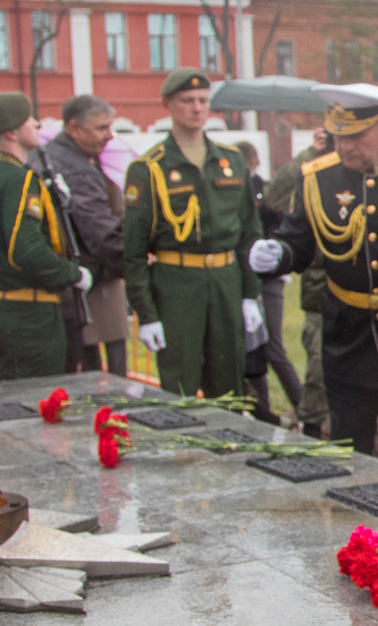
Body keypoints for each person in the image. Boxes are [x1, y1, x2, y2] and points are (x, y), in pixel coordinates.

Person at [251, 86, 378, 478]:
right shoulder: (318, 177)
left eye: (355, 136)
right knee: (349, 441)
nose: (344, 146)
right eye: (337, 135)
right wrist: (278, 255)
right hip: (350, 328)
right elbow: (299, 240)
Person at [122, 69, 263, 398]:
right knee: (179, 380)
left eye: (202, 101)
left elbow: (249, 234)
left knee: (229, 378)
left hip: (227, 280)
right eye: (187, 101)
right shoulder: (148, 168)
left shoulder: (231, 160)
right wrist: (147, 314)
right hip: (177, 284)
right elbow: (133, 250)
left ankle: (229, 446)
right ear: (167, 105)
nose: (197, 108)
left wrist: (249, 294)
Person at [0, 92, 93, 379]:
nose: (35, 123)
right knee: (41, 402)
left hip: (1, 307)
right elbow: (26, 248)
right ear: (11, 132)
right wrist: (72, 273)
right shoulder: (18, 178)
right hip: (32, 315)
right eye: (27, 119)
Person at [43, 95, 131, 376]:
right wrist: (135, 260)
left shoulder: (68, 158)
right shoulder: (76, 167)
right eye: (101, 128)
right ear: (74, 129)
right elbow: (100, 232)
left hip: (82, 275)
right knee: (104, 366)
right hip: (91, 276)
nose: (109, 135)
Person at [264, 128, 333, 438]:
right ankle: (312, 430)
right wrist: (309, 154)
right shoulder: (314, 174)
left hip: (363, 292)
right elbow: (274, 199)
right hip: (321, 290)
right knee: (318, 372)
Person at [240, 138, 302, 418]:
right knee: (253, 351)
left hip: (268, 274)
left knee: (274, 347)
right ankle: (264, 413)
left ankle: (304, 408)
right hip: (246, 277)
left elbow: (277, 221)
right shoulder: (235, 192)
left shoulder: (265, 191)